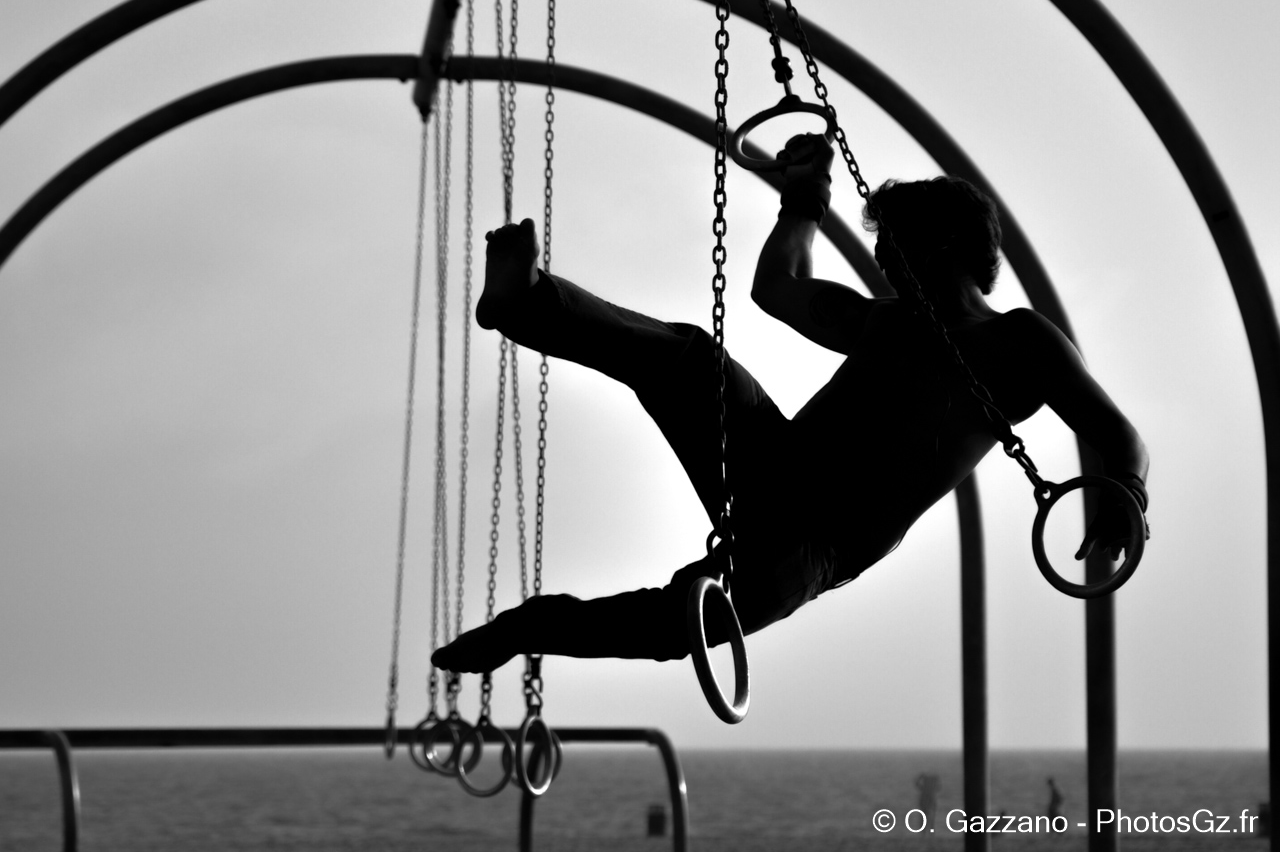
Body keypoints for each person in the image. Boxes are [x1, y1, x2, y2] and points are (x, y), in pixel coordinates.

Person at [432, 135, 1149, 674]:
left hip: (818, 548)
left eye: (897, 248)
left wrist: (1126, 497)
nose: (883, 263)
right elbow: (777, 285)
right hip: (773, 464)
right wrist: (801, 202)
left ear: (950, 246)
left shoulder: (1019, 342)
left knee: (678, 620)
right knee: (690, 359)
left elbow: (1117, 434)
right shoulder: (884, 319)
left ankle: (532, 629)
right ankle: (530, 306)